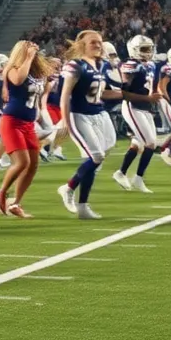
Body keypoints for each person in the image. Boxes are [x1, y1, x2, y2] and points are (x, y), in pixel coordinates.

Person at [56, 30, 117, 220]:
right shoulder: (76, 65)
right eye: (93, 43)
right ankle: (68, 187)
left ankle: (82, 207)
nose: (98, 45)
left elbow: (104, 91)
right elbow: (65, 95)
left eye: (99, 42)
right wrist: (65, 120)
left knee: (102, 153)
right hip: (79, 115)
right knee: (96, 156)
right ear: (82, 45)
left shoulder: (103, 65)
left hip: (99, 113)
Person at [0, 40, 52, 219]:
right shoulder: (12, 69)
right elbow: (18, 80)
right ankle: (1, 192)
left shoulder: (35, 72)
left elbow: (45, 82)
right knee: (21, 162)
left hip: (28, 123)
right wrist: (28, 56)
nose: (34, 52)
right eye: (29, 50)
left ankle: (16, 202)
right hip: (12, 121)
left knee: (33, 165)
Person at [112, 34, 163, 193]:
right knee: (151, 143)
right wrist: (148, 97)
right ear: (134, 50)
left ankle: (121, 173)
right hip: (132, 106)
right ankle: (138, 178)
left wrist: (152, 99)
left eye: (149, 49)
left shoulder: (150, 65)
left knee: (138, 143)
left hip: (144, 107)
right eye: (144, 49)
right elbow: (124, 92)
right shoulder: (130, 65)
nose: (148, 52)